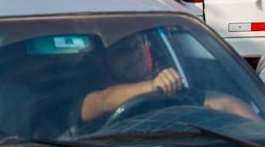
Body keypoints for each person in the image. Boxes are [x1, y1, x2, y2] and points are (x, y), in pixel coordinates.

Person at [78, 33, 259, 130]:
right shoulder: (87, 93)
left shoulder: (168, 89)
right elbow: (102, 101)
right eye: (124, 50)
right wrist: (151, 86)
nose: (135, 54)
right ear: (101, 59)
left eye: (138, 46)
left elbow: (225, 104)